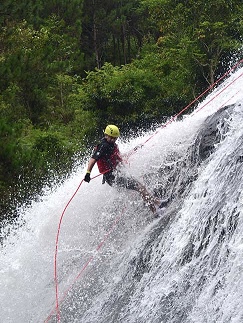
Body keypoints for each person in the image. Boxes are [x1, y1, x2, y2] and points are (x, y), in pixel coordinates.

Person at [84, 125, 160, 213]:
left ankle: (157, 206)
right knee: (140, 188)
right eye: (111, 138)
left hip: (116, 175)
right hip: (111, 178)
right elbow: (93, 159)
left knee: (141, 187)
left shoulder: (113, 146)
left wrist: (134, 149)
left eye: (115, 138)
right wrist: (88, 173)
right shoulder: (103, 146)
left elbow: (121, 157)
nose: (113, 140)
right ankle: (156, 210)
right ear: (106, 135)